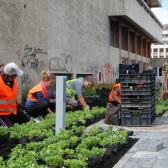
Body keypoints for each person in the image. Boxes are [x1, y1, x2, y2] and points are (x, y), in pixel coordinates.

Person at [0, 62, 24, 127]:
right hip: (2, 115)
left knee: (26, 120)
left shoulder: (13, 82)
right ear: (10, 75)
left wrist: (18, 104)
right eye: (15, 75)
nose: (16, 77)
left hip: (12, 111)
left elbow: (12, 95)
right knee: (10, 129)